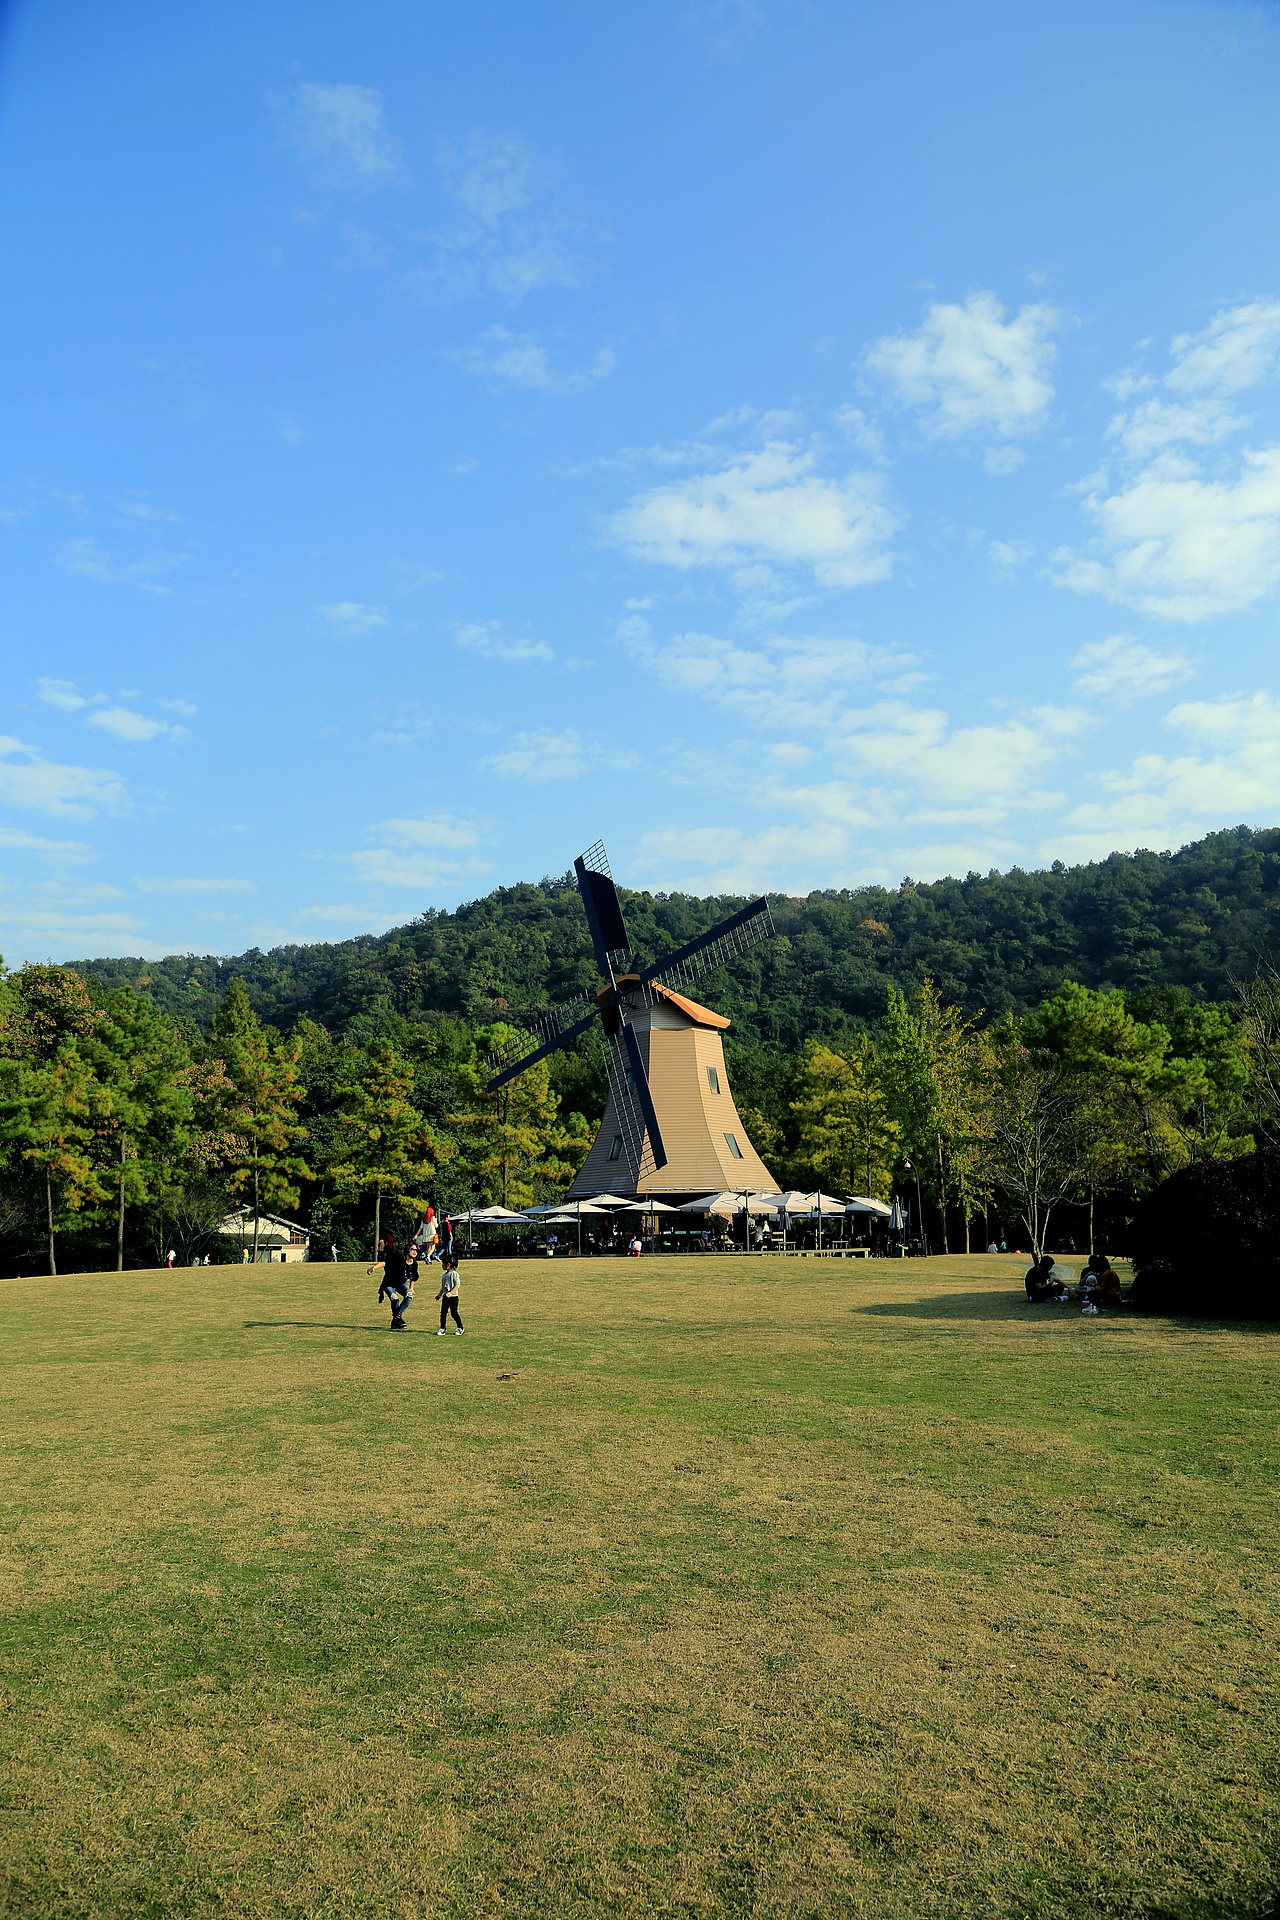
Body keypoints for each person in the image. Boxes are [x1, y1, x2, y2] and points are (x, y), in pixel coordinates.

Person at [366, 1238, 416, 1330]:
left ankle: (396, 1318)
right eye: (413, 1249)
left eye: (416, 1250)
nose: (415, 1251)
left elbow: (413, 1277)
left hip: (401, 1284)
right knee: (395, 1299)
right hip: (389, 1283)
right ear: (407, 1249)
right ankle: (397, 1320)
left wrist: (411, 1288)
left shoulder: (414, 1264)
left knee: (409, 1296)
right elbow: (385, 1263)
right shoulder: (399, 1258)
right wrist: (373, 1268)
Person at [435, 1255, 464, 1334]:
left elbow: (457, 1285)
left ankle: (460, 1327)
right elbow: (443, 1287)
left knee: (454, 1313)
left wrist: (451, 1293)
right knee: (443, 1313)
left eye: (443, 1263)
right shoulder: (444, 1276)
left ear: (448, 1265)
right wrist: (439, 1295)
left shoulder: (454, 1274)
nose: (442, 1265)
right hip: (445, 1297)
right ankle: (442, 1328)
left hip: (453, 1297)